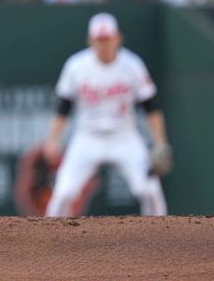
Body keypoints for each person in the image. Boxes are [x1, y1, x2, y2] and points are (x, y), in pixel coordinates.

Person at [43, 13, 171, 217]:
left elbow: (151, 107)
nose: (103, 44)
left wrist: (160, 141)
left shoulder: (132, 65)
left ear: (118, 37)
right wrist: (53, 139)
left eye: (107, 39)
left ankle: (160, 242)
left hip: (124, 136)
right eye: (99, 40)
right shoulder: (76, 65)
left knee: (149, 191)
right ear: (90, 40)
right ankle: (48, 244)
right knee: (63, 193)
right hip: (87, 137)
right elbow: (63, 107)